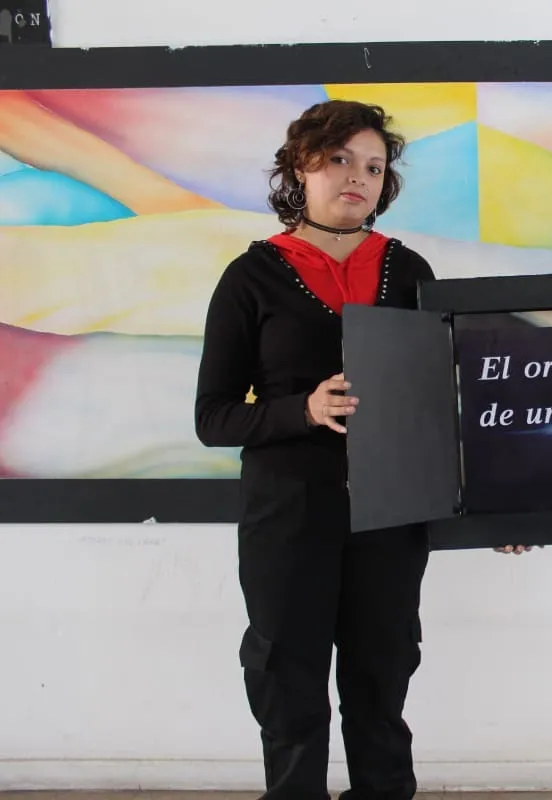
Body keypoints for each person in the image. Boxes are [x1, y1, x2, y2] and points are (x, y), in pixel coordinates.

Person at [195, 99, 435, 800]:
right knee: (287, 683)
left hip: (391, 516)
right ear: (301, 166)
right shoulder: (251, 277)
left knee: (381, 682)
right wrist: (302, 410)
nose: (357, 177)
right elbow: (213, 417)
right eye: (339, 159)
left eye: (374, 167)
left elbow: (443, 399)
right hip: (288, 515)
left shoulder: (410, 271)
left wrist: (499, 499)